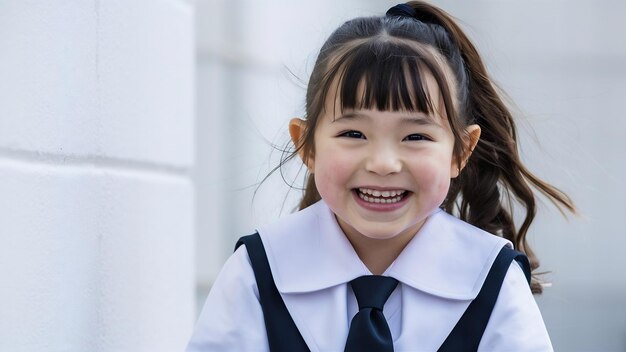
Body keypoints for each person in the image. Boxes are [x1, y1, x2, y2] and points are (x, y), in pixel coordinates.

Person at [187, 2, 575, 351]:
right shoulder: (259, 271)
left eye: (416, 136)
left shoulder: (492, 280)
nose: (384, 163)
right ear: (306, 144)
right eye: (353, 134)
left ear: (461, 151)